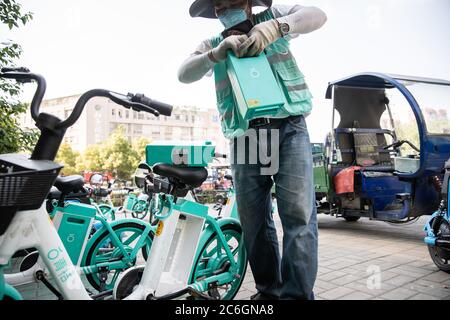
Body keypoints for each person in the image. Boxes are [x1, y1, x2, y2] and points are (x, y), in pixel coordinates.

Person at [178, 0, 327, 300]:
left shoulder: (273, 17)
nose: (225, 7)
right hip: (246, 136)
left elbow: (318, 15)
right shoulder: (214, 43)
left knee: (298, 216)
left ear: (248, 3)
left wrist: (276, 28)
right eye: (219, 4)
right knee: (254, 221)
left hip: (288, 127)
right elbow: (184, 73)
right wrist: (214, 55)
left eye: (232, 0)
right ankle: (269, 293)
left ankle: (296, 296)